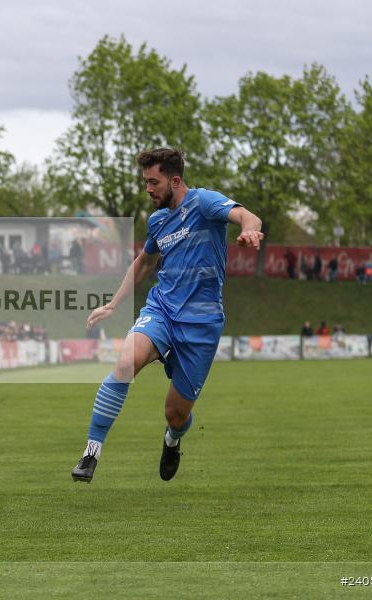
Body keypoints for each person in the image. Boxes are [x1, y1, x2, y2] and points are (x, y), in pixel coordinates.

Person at [73, 147, 263, 484]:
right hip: (161, 309)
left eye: (153, 182)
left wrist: (249, 230)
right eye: (145, 182)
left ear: (175, 180)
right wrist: (114, 304)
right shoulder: (158, 220)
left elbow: (248, 216)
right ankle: (91, 452)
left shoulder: (204, 202)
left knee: (175, 414)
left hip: (202, 324)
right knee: (124, 364)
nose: (148, 189)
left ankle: (172, 439)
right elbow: (145, 262)